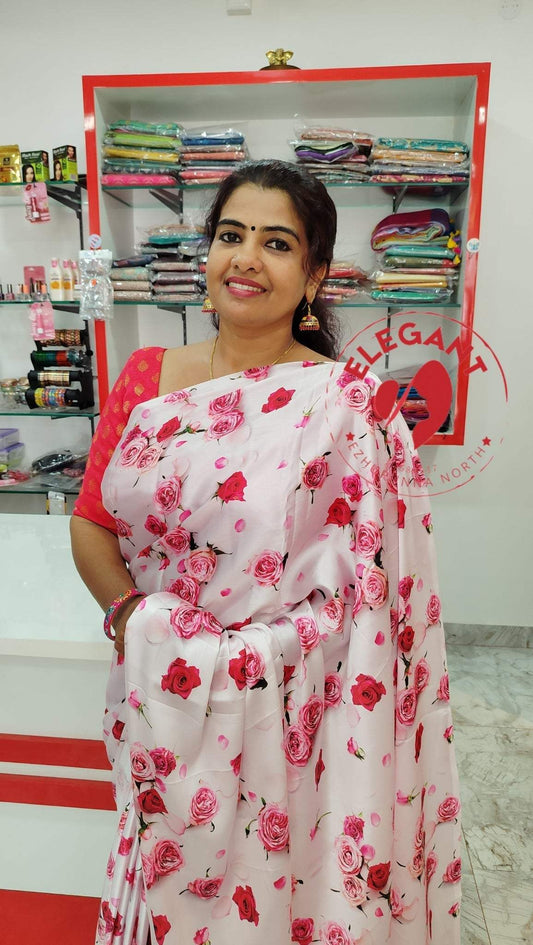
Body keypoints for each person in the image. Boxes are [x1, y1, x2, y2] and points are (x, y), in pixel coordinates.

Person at [71, 160, 461, 945]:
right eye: (230, 235)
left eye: (276, 243)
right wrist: (133, 617)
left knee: (277, 904)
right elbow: (92, 521)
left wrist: (262, 656)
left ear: (313, 275)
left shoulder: (348, 410)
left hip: (295, 716)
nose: (245, 258)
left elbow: (376, 601)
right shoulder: (146, 379)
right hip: (167, 696)